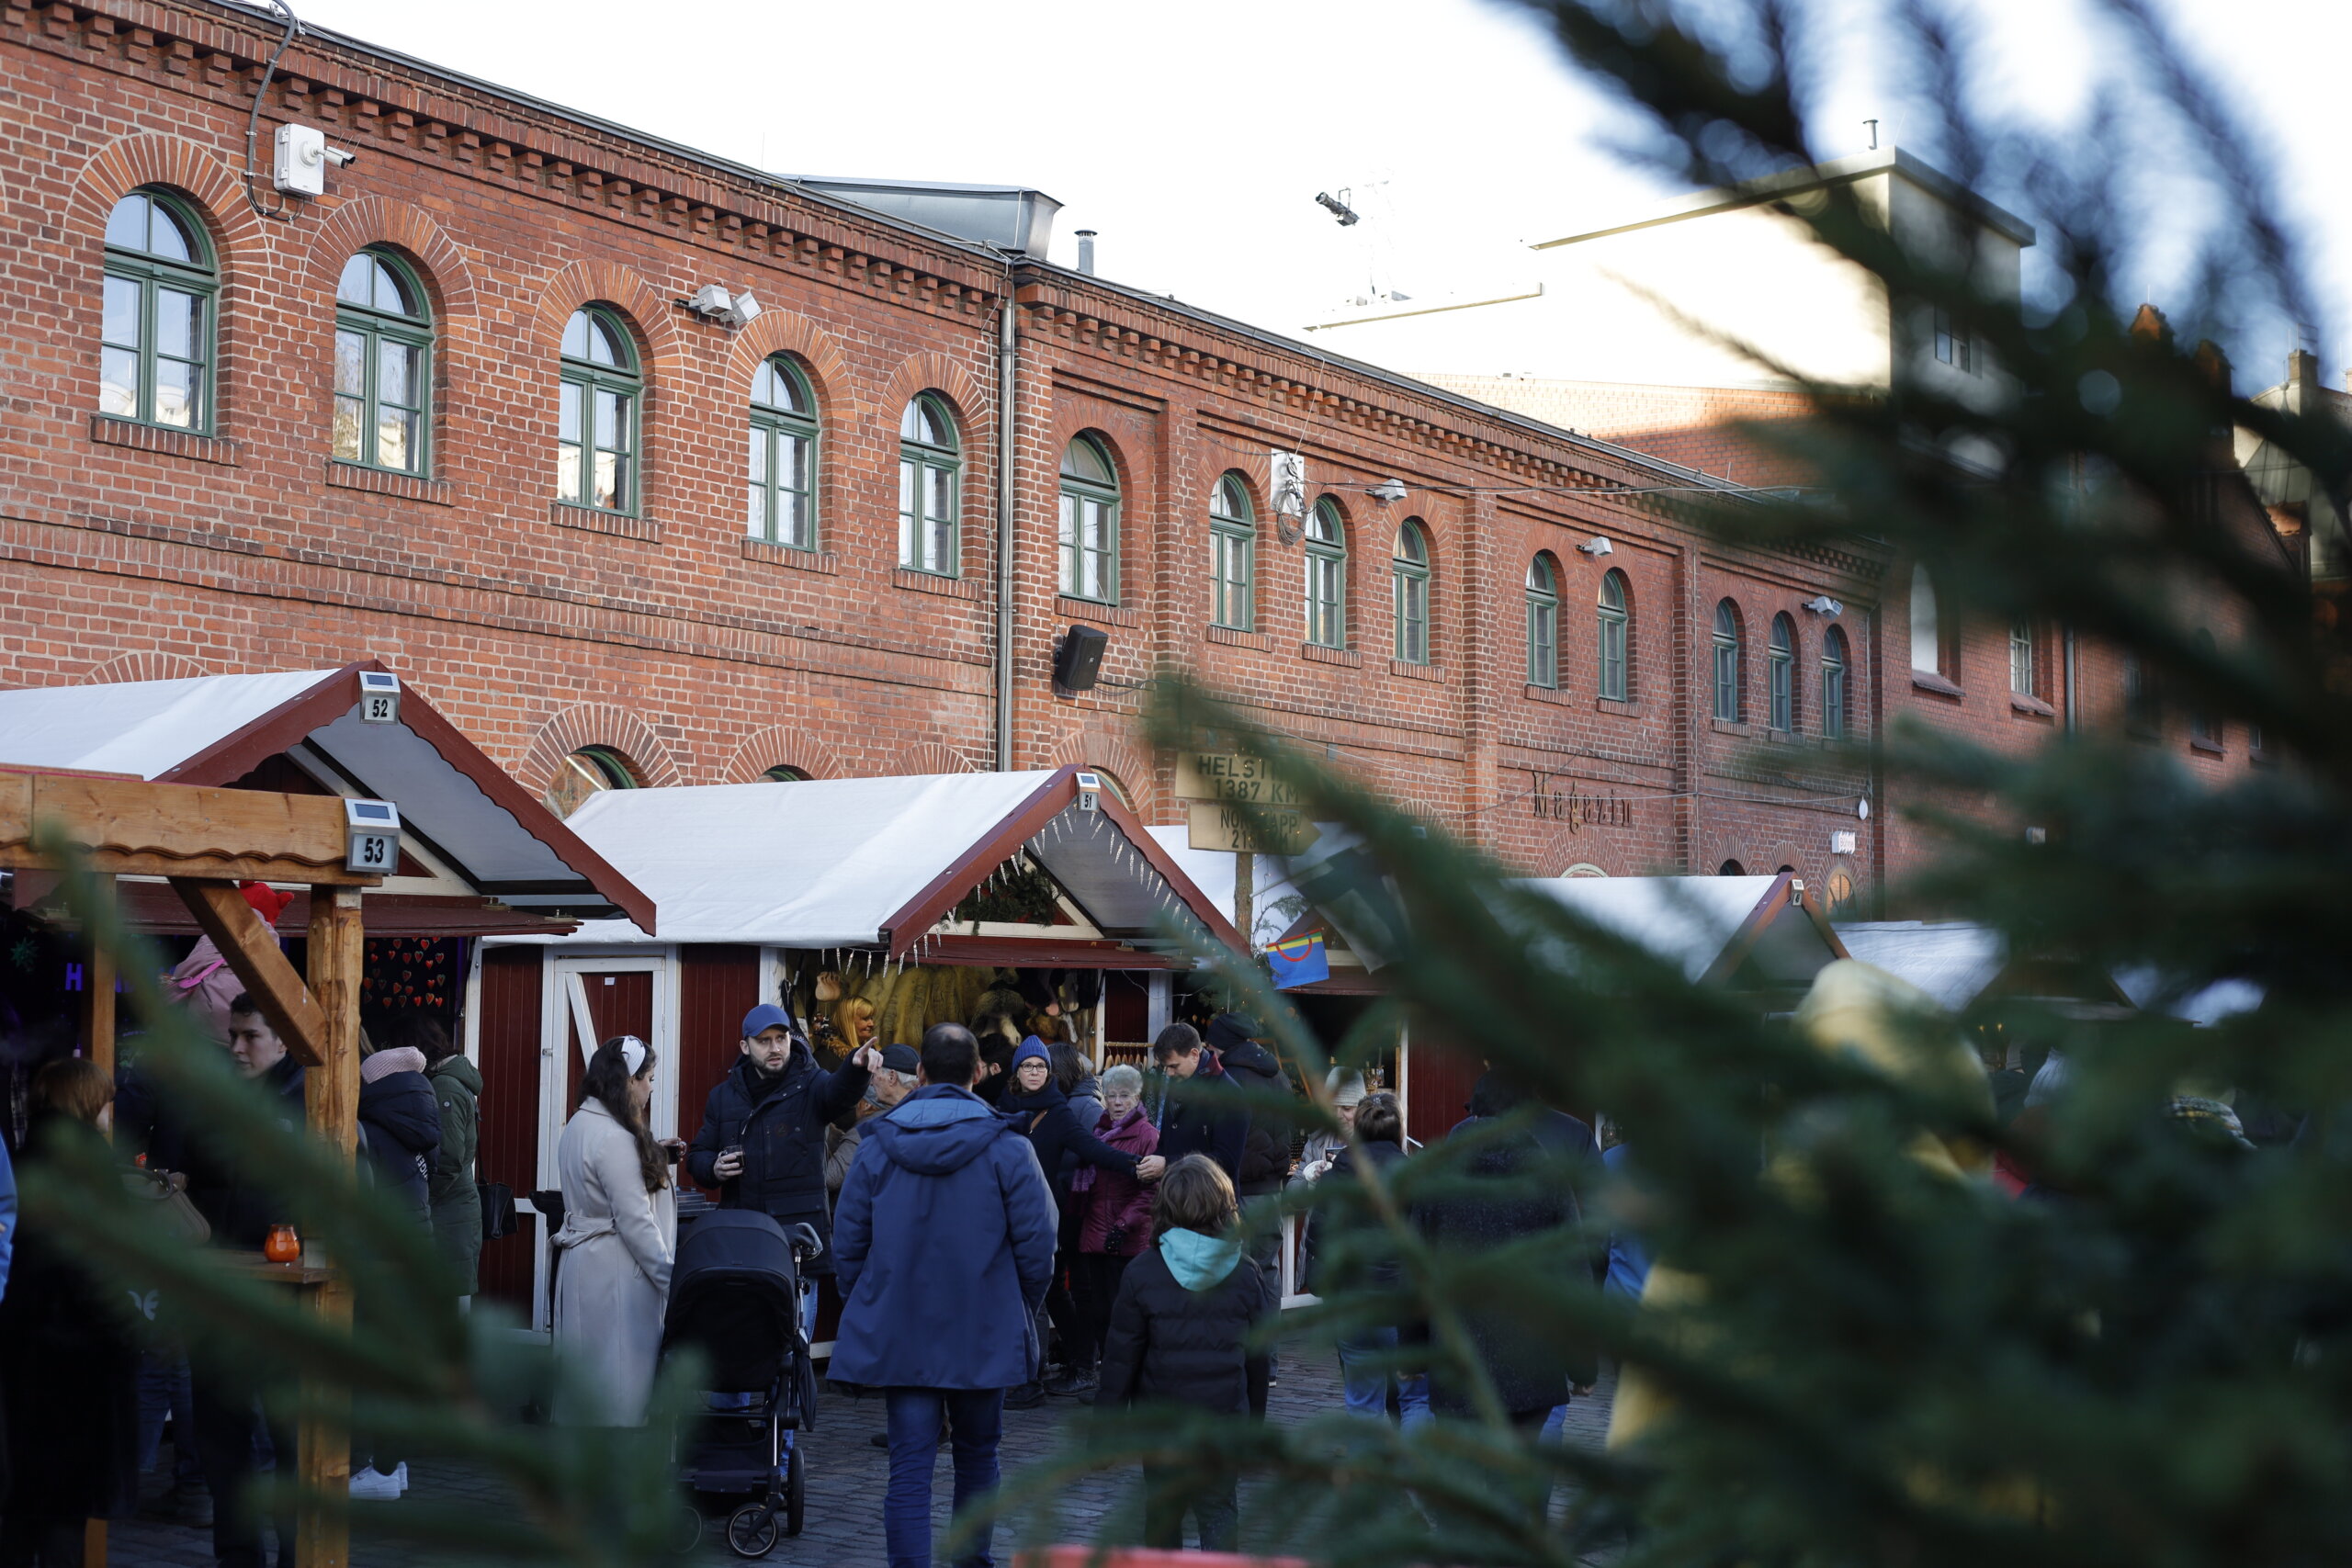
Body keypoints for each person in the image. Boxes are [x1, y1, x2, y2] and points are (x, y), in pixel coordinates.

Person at [831, 1023, 1057, 1568]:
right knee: (979, 1459)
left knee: (909, 1466)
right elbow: (1039, 1243)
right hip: (983, 1324)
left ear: (922, 1075)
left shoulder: (876, 1145)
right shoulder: (1010, 1148)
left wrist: (871, 1303)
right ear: (979, 1074)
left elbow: (848, 1241)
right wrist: (1019, 1305)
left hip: (903, 1326)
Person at [1096, 1155, 1277, 1552]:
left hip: (1162, 1427)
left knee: (1162, 1521)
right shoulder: (1246, 1273)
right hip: (1223, 1424)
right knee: (1219, 1517)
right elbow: (1258, 1360)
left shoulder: (1142, 1272)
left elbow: (1120, 1358)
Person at [0, 1059, 140, 1566]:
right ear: (86, 1102)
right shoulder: (90, 1164)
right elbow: (104, 1262)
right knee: (66, 1507)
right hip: (77, 1351)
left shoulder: (18, 1156)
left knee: (20, 1502)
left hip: (19, 1345)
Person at [184, 995, 306, 1568]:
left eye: (248, 1036)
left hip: (289, 1300)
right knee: (222, 1442)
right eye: (231, 1034)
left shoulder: (313, 1101)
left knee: (292, 1443)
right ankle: (237, 1559)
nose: (234, 1048)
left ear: (283, 1040)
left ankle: (296, 1557)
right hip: (218, 1295)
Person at [1420, 1070, 1599, 1430]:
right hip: (1532, 1364)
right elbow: (1573, 1270)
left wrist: (1411, 1349)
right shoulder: (1549, 1177)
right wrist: (1581, 1364)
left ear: (1474, 1113)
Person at [685, 1003, 875, 1342]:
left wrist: (856, 1069)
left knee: (794, 1343)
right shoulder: (723, 1098)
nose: (775, 1048)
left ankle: (791, 1398)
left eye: (781, 1038)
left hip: (800, 1237)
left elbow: (838, 1095)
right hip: (744, 1233)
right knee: (738, 1338)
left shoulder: (812, 1082)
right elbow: (697, 1156)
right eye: (764, 1040)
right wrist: (713, 1168)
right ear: (745, 1046)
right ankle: (736, 1398)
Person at [998, 1038, 1166, 1407]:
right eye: (1028, 1066)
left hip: (1044, 1217)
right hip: (1004, 1214)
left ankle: (1038, 1377)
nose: (1035, 1072)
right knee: (1029, 1296)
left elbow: (1093, 1151)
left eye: (1041, 1067)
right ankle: (1046, 1367)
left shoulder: (1059, 1112)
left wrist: (1137, 1166)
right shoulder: (1003, 1107)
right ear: (1017, 1071)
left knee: (1044, 1296)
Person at [551, 1035, 673, 1427]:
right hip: (616, 1271)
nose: (651, 1087)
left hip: (582, 1263)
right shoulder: (614, 1138)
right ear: (629, 1081)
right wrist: (670, 1278)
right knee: (618, 1387)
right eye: (649, 1078)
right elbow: (635, 1221)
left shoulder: (578, 1125)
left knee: (586, 1381)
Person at [1301, 1091, 1430, 1427]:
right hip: (1401, 1303)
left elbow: (1317, 1239)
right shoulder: (1415, 1177)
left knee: (1362, 1401)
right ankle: (1416, 1473)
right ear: (1398, 1128)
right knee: (1415, 1398)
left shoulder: (1336, 1176)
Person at [1061, 1064, 1159, 1398]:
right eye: (1112, 1095)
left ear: (1138, 1097)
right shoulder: (1096, 1130)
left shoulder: (1147, 1134)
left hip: (1126, 1238)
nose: (1117, 1103)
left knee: (1125, 1316)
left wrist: (1123, 1225)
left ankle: (1128, 1386)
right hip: (1095, 1234)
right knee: (1099, 1313)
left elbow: (1149, 1190)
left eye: (1125, 1096)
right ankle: (1111, 1383)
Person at [392, 1014, 482, 1309]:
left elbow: (450, 1156)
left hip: (448, 1212)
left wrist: (424, 1200)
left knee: (448, 1307)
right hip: (453, 1209)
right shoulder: (450, 1080)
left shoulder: (444, 1086)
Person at [1145, 1024, 1246, 1179]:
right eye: (1165, 1067)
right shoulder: (1180, 1082)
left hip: (1211, 1199)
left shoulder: (1229, 1094)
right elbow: (1166, 1146)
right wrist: (1148, 1167)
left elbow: (1227, 1161)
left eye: (1173, 1066)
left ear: (1194, 1055)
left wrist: (1167, 1164)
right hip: (1175, 1196)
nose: (1169, 1073)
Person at [826, 1042, 919, 1206]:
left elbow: (830, 1178)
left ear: (891, 1077)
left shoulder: (871, 1127)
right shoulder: (920, 1116)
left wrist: (820, 1124)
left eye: (874, 1073)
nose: (870, 1081)